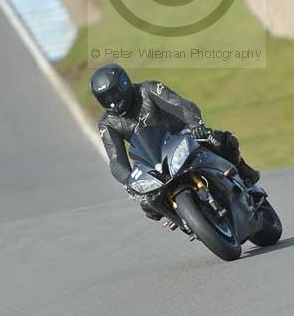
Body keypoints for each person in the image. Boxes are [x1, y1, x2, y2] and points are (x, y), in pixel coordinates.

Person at [91, 62, 260, 220]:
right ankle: (183, 219)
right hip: (153, 161)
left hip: (182, 136)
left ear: (125, 84)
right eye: (105, 98)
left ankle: (244, 173)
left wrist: (195, 124)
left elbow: (180, 104)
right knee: (147, 203)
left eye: (114, 93)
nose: (112, 101)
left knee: (218, 140)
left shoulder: (148, 89)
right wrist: (127, 180)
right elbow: (115, 160)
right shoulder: (107, 123)